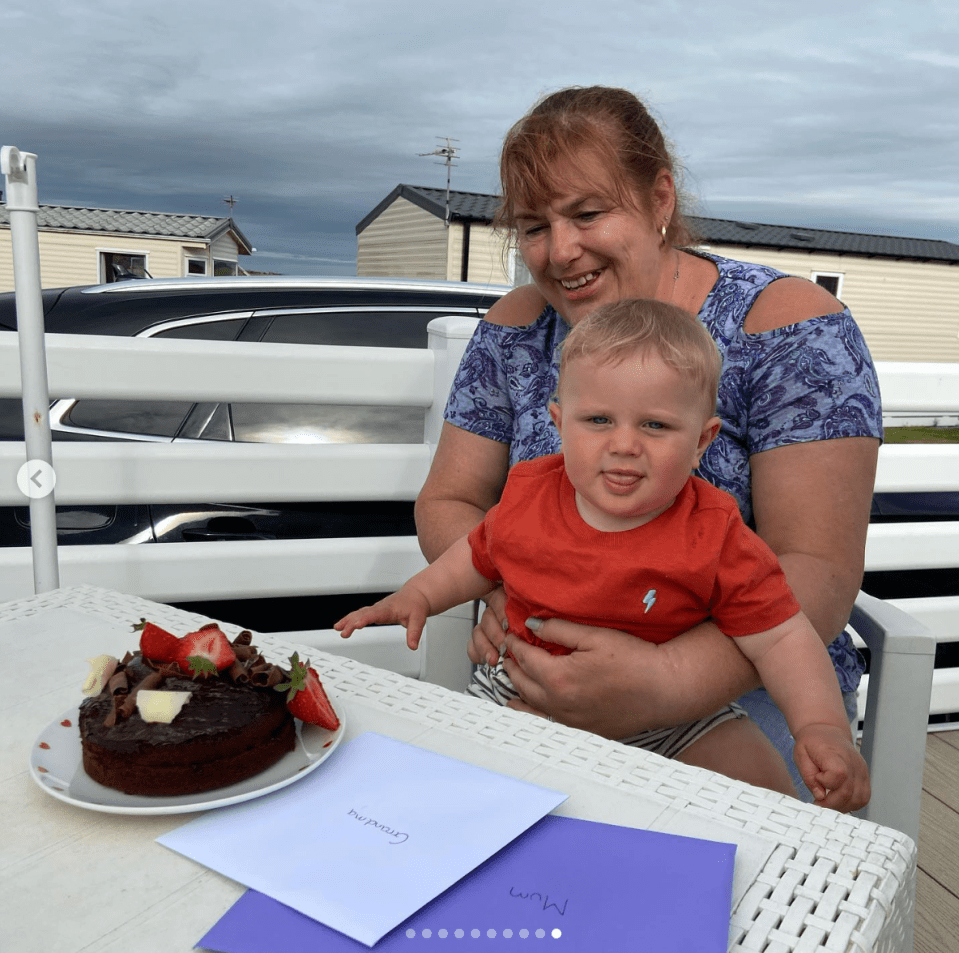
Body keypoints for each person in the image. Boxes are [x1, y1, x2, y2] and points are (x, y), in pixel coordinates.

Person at [413, 85, 883, 808]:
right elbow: (451, 498)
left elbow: (816, 568)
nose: (559, 251)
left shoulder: (787, 327)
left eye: (588, 213)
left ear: (658, 196)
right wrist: (515, 584)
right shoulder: (514, 327)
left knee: (714, 877)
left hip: (747, 679)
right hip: (540, 658)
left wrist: (665, 681)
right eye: (533, 225)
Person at [336, 300, 870, 808]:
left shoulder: (715, 533)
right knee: (468, 779)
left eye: (655, 425)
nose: (624, 444)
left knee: (761, 779)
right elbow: (475, 558)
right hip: (527, 691)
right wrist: (419, 595)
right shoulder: (529, 497)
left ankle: (768, 882)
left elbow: (781, 635)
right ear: (558, 422)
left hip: (674, 719)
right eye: (598, 421)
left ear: (703, 440)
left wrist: (821, 727)